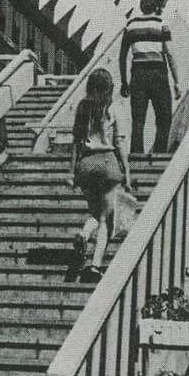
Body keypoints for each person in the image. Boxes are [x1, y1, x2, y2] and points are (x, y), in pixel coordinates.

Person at [69, 68, 132, 283]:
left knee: (94, 213)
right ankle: (95, 265)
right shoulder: (114, 108)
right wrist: (127, 171)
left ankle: (84, 235)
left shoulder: (82, 108)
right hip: (107, 164)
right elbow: (119, 142)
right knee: (106, 219)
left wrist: (73, 171)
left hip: (86, 164)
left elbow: (76, 142)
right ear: (109, 89)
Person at [119, 0, 180, 155]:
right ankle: (159, 153)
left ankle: (136, 155)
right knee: (164, 116)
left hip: (137, 74)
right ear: (156, 7)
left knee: (138, 119)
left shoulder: (130, 24)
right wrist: (176, 81)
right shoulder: (161, 23)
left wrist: (124, 82)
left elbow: (122, 55)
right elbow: (170, 53)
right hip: (158, 73)